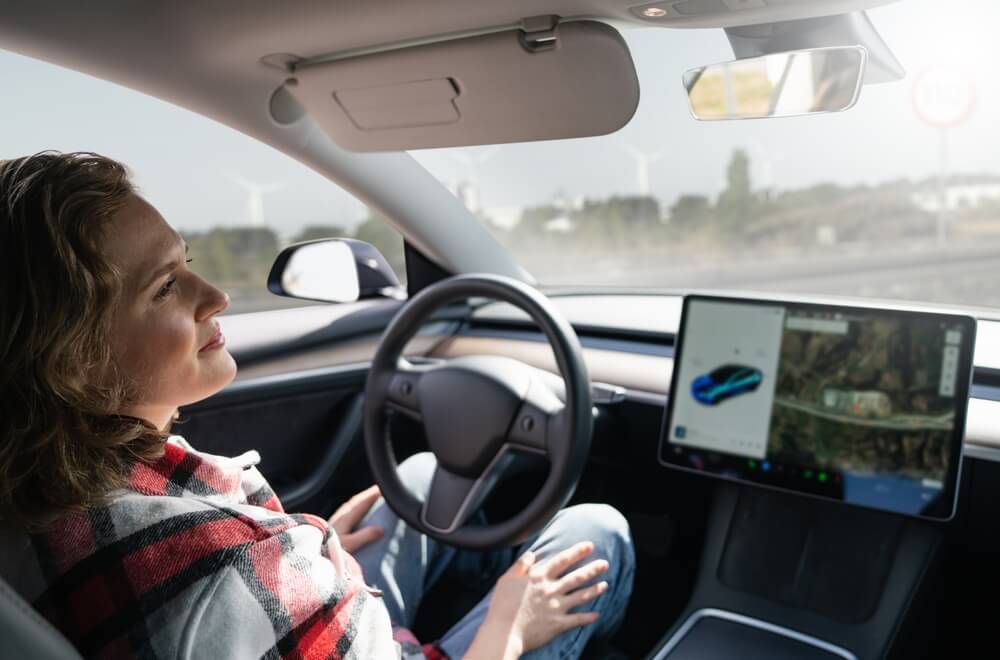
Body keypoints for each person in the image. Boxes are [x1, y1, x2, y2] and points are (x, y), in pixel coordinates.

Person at [0, 151, 635, 659]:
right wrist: (510, 628)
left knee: (411, 484)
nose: (216, 294)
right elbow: (223, 575)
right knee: (597, 532)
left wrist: (306, 551)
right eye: (166, 286)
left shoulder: (38, 488)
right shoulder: (227, 564)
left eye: (186, 263)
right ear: (72, 360)